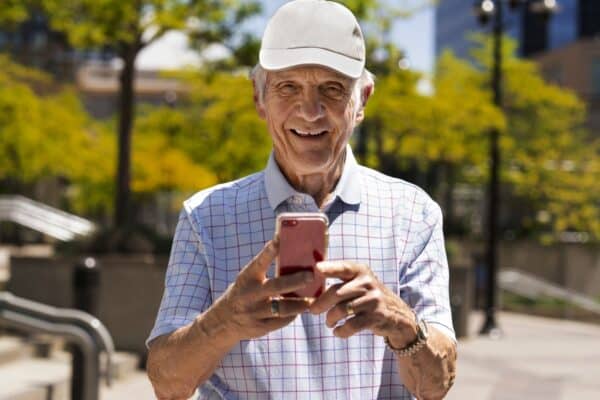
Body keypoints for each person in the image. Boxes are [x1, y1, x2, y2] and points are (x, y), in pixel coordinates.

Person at [146, 1, 457, 399]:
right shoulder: (205, 217)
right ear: (260, 99)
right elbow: (166, 382)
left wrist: (401, 324)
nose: (310, 112)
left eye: (332, 89)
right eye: (288, 87)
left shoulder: (414, 213)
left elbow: (437, 384)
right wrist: (225, 321)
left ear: (362, 100)